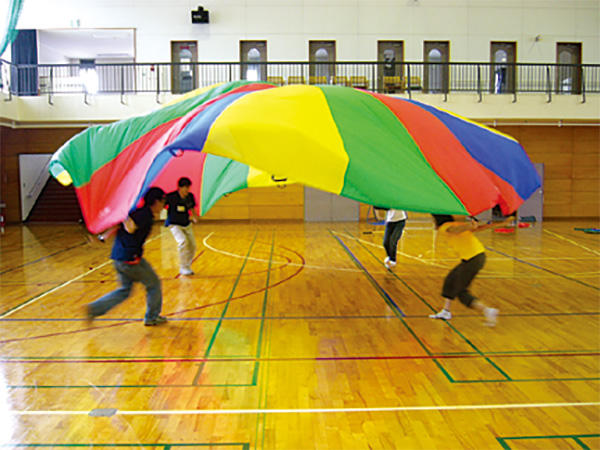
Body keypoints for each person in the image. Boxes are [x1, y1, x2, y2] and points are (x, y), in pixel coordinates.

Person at [87, 187, 167, 326]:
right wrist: (123, 212)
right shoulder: (144, 214)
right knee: (154, 284)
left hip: (119, 257)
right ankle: (152, 317)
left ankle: (94, 308)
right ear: (156, 201)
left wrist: (103, 236)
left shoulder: (137, 213)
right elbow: (130, 228)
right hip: (130, 260)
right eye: (162, 202)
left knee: (124, 291)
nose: (163, 206)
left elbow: (118, 225)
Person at [428, 214, 512, 326]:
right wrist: (502, 223)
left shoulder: (446, 227)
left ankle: (487, 311)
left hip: (474, 259)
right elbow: (480, 228)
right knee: (450, 280)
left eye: (433, 219)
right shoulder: (456, 224)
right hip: (471, 258)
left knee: (461, 291)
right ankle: (445, 312)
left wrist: (469, 226)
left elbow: (455, 230)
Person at [165, 177, 199, 276]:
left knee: (192, 246)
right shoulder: (171, 196)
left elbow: (192, 208)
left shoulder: (190, 196)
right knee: (183, 241)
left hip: (186, 224)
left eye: (188, 188)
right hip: (174, 224)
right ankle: (182, 267)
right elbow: (162, 203)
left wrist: (195, 217)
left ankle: (187, 266)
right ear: (179, 187)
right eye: (185, 188)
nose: (187, 190)